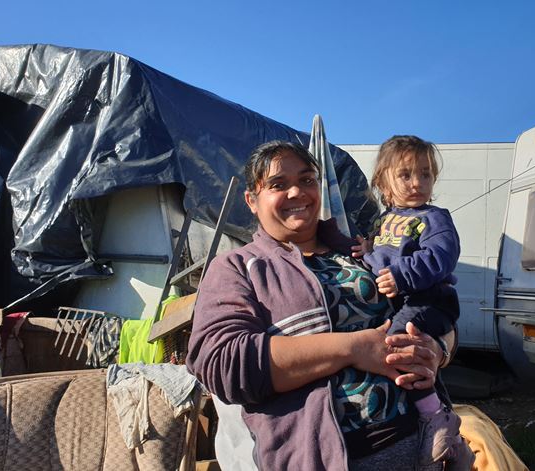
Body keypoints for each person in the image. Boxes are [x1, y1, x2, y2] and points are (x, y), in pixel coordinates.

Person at [186, 140, 463, 471]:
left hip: (421, 448)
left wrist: (438, 348)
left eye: (306, 180)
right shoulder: (237, 267)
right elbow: (223, 366)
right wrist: (352, 348)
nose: (297, 193)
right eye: (278, 184)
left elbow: (433, 311)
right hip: (319, 459)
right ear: (252, 200)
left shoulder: (362, 252)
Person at [357, 135, 473, 469]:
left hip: (430, 302)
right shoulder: (382, 222)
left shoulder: (434, 218)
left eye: (425, 174)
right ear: (383, 181)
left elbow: (441, 256)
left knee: (395, 342)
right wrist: (366, 254)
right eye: (405, 175)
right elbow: (379, 260)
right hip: (404, 302)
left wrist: (402, 275)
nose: (417, 183)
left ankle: (435, 417)